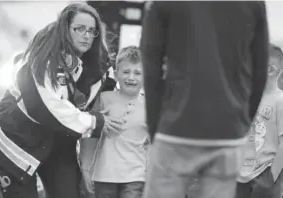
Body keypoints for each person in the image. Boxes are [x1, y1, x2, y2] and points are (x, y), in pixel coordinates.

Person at [0, 3, 123, 198]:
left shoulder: (96, 64)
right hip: (17, 138)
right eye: (80, 29)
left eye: (91, 31)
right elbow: (49, 107)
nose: (86, 35)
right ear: (65, 30)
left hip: (57, 138)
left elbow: (108, 91)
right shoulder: (43, 60)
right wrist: (95, 121)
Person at [140, 1, 269, 198]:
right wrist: (242, 123)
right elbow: (260, 69)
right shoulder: (253, 3)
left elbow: (151, 67)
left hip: (176, 126)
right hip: (229, 129)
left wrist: (155, 127)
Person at [91, 46, 149, 198]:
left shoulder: (150, 106)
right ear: (116, 75)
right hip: (104, 175)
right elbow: (90, 134)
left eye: (137, 73)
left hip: (136, 176)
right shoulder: (104, 99)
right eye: (126, 72)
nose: (131, 77)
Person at [236, 44, 283, 198]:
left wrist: (270, 178)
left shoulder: (280, 100)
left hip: (264, 176)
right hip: (239, 175)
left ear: (270, 70)